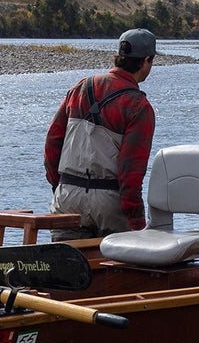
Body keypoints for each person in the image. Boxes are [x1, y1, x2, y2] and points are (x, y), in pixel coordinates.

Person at [44, 28, 157, 235]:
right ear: (146, 61)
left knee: (65, 256)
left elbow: (52, 143)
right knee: (120, 256)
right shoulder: (139, 106)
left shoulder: (79, 88)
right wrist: (137, 221)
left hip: (68, 195)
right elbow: (131, 170)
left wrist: (58, 186)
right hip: (110, 203)